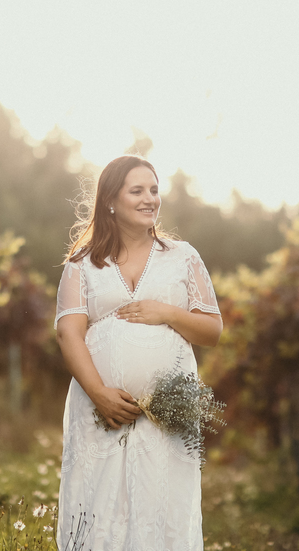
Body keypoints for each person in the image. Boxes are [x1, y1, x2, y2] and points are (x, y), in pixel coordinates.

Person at [54, 155, 222, 551]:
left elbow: (212, 330)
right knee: (98, 506)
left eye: (154, 190)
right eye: (138, 191)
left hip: (167, 412)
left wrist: (164, 311)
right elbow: (68, 333)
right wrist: (99, 394)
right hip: (98, 411)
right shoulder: (82, 264)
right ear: (111, 200)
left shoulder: (183, 257)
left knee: (163, 506)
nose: (150, 199)